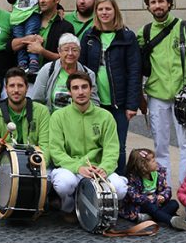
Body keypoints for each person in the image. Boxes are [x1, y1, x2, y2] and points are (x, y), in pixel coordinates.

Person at [138, 0, 186, 184]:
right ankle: (164, 188)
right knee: (160, 146)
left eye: (161, 1)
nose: (157, 6)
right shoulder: (144, 33)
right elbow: (134, 64)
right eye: (153, 2)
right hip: (157, 96)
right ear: (148, 7)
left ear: (169, 3)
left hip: (184, 97)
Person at [47, 72, 128, 222]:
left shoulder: (106, 116)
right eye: (75, 88)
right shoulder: (58, 117)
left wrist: (105, 168)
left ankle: (94, 209)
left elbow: (112, 149)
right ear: (70, 92)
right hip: (72, 168)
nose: (80, 92)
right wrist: (78, 167)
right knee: (64, 184)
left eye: (84, 87)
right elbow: (56, 152)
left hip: (98, 169)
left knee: (120, 189)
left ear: (91, 89)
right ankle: (69, 207)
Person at [80, 0, 141, 175]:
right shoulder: (89, 36)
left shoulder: (127, 37)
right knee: (95, 146)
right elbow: (81, 71)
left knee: (118, 145)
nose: (104, 12)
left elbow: (134, 72)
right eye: (100, 9)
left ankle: (118, 182)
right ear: (96, 12)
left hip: (119, 103)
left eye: (108, 8)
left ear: (115, 11)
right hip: (96, 102)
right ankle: (96, 186)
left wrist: (132, 105)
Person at [0, 67, 50, 164]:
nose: (16, 90)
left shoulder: (42, 111)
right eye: (12, 86)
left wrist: (33, 165)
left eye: (20, 86)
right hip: (6, 170)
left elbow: (46, 149)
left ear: (27, 88)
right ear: (6, 89)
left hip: (35, 167)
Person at [11, 0, 75, 68]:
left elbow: (68, 57)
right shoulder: (26, 20)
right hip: (24, 77)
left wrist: (41, 51)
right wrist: (28, 38)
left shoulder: (66, 27)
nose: (41, 1)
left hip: (51, 77)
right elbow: (10, 47)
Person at [28, 33, 99, 112]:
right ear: (59, 51)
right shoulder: (47, 70)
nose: (70, 53)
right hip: (52, 120)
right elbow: (37, 101)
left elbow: (94, 103)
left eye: (74, 50)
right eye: (66, 50)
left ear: (79, 51)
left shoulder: (88, 74)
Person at [121, 147, 186, 230]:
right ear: (143, 166)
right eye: (153, 161)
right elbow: (134, 197)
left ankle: (150, 217)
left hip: (157, 205)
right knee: (150, 206)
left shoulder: (158, 173)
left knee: (174, 204)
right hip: (141, 207)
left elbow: (166, 188)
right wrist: (152, 199)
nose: (156, 162)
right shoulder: (133, 178)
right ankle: (170, 220)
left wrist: (163, 196)